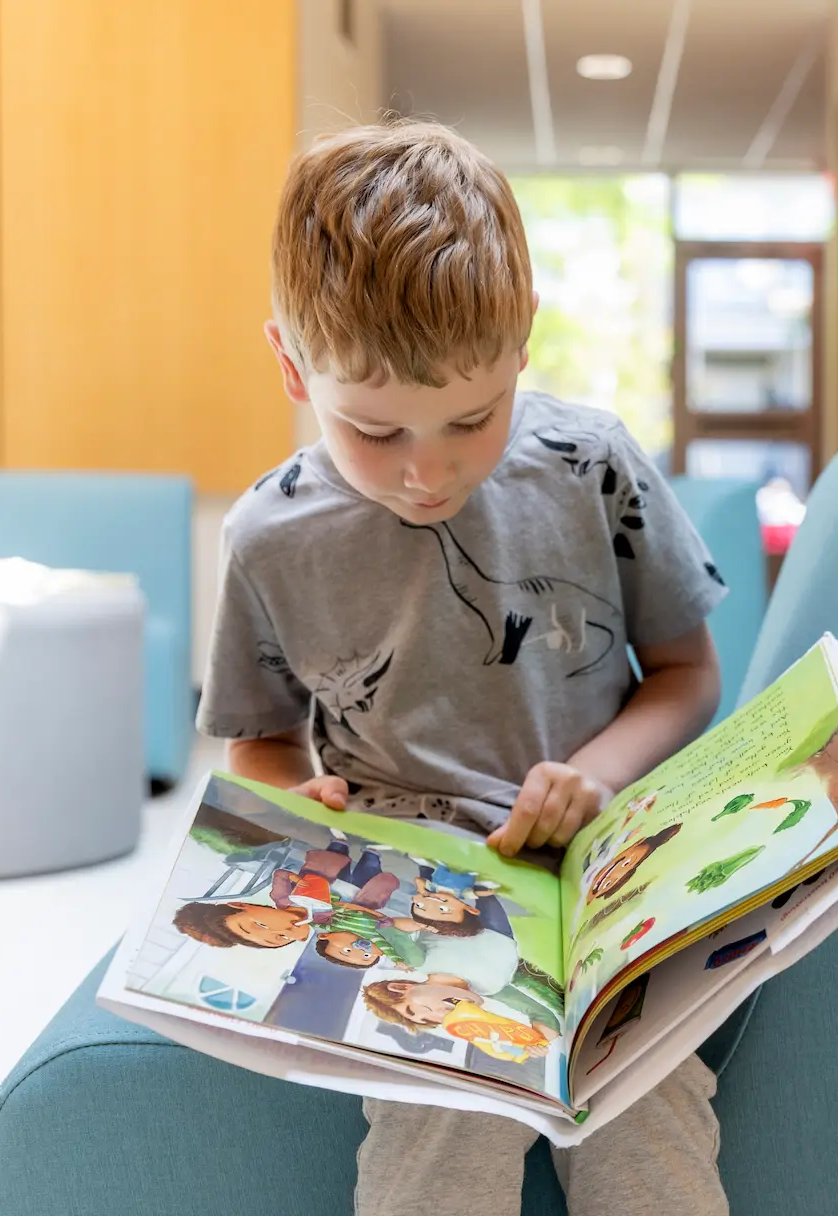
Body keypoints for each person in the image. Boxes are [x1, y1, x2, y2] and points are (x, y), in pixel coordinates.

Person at [196, 117, 730, 1216]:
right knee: (442, 1106)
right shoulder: (267, 536)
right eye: (374, 432)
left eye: (472, 419)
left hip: (601, 867)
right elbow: (257, 739)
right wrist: (293, 801)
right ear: (292, 366)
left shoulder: (592, 467)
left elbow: (686, 672)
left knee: (650, 1099)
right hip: (408, 892)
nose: (426, 472)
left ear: (524, 335)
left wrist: (603, 772)